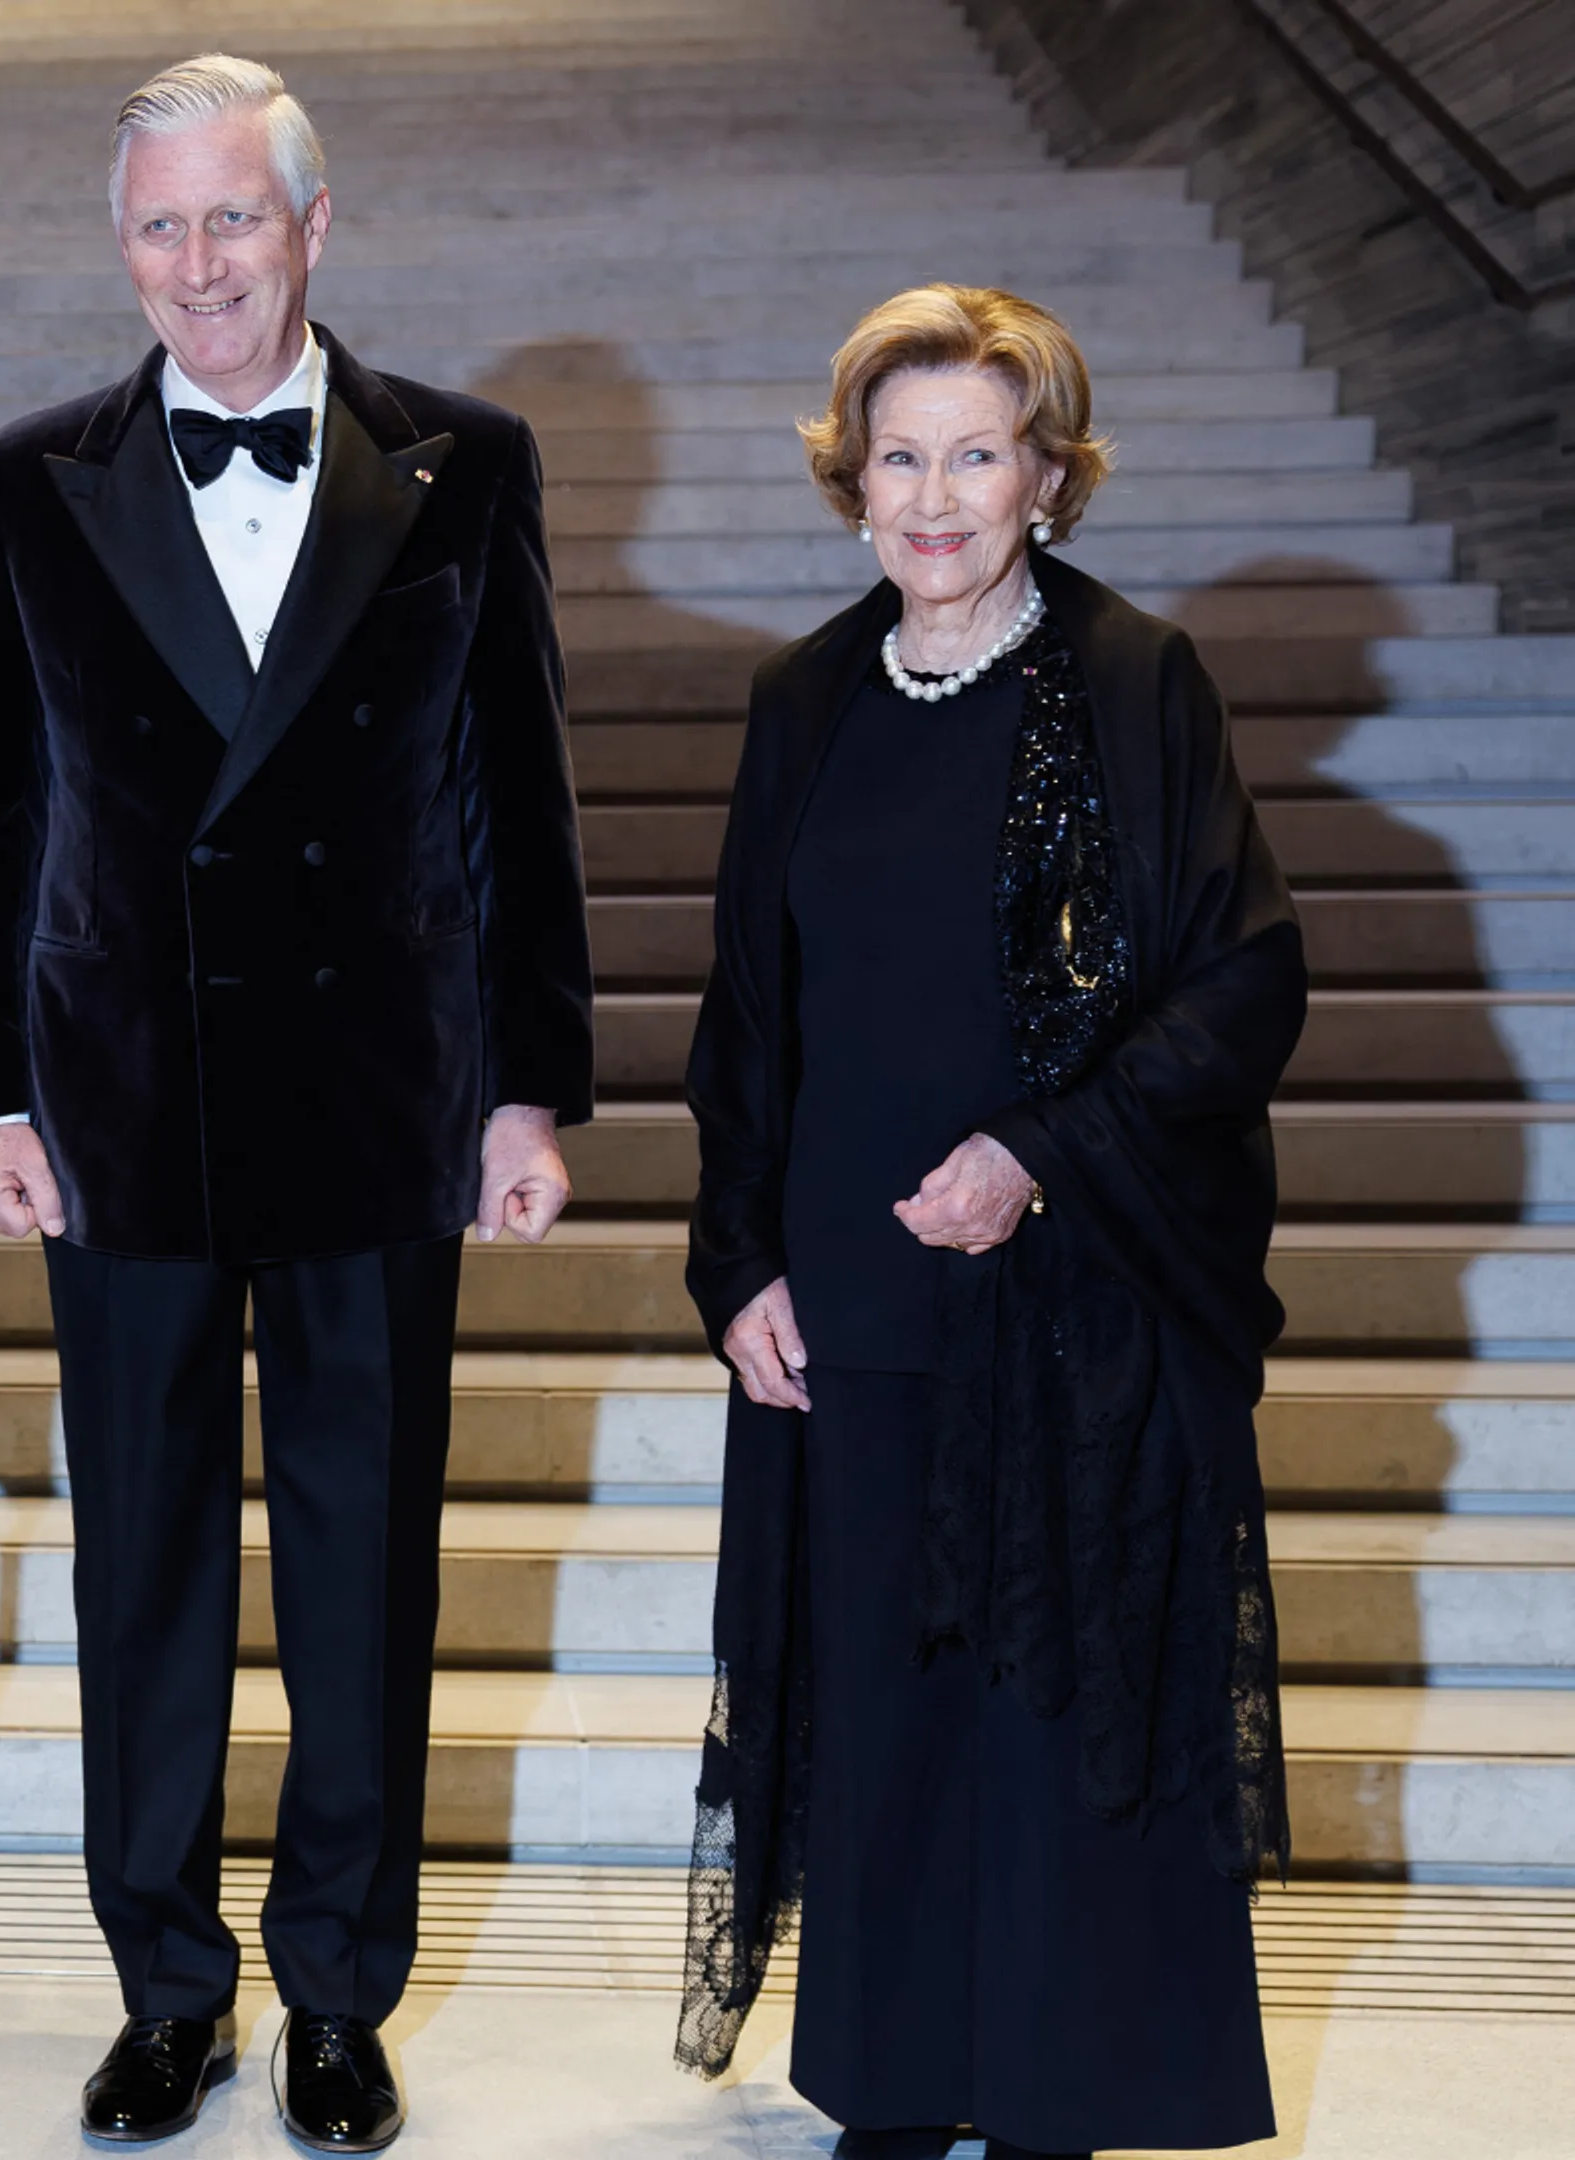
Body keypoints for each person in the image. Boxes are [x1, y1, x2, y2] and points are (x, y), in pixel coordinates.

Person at [0, 54, 592, 2154]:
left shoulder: (465, 466)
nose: (198, 263)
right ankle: (165, 1988)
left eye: (234, 218)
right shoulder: (25, 480)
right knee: (146, 1576)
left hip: (382, 1098)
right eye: (160, 226)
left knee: (364, 1572)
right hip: (122, 1104)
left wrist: (533, 1086)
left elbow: (521, 793)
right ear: (120, 246)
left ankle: (335, 1996)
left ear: (316, 223)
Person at [676, 285, 1298, 2160]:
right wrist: (735, 1264)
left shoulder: (1130, 679)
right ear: (851, 480)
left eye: (976, 453)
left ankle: (1045, 2096)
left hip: (1074, 1294)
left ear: (1046, 475)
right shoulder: (802, 698)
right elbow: (744, 1014)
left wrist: (1037, 1148)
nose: (934, 495)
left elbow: (1242, 982)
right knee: (882, 1706)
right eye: (899, 456)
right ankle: (894, 2081)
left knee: (1052, 1706)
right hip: (852, 1305)